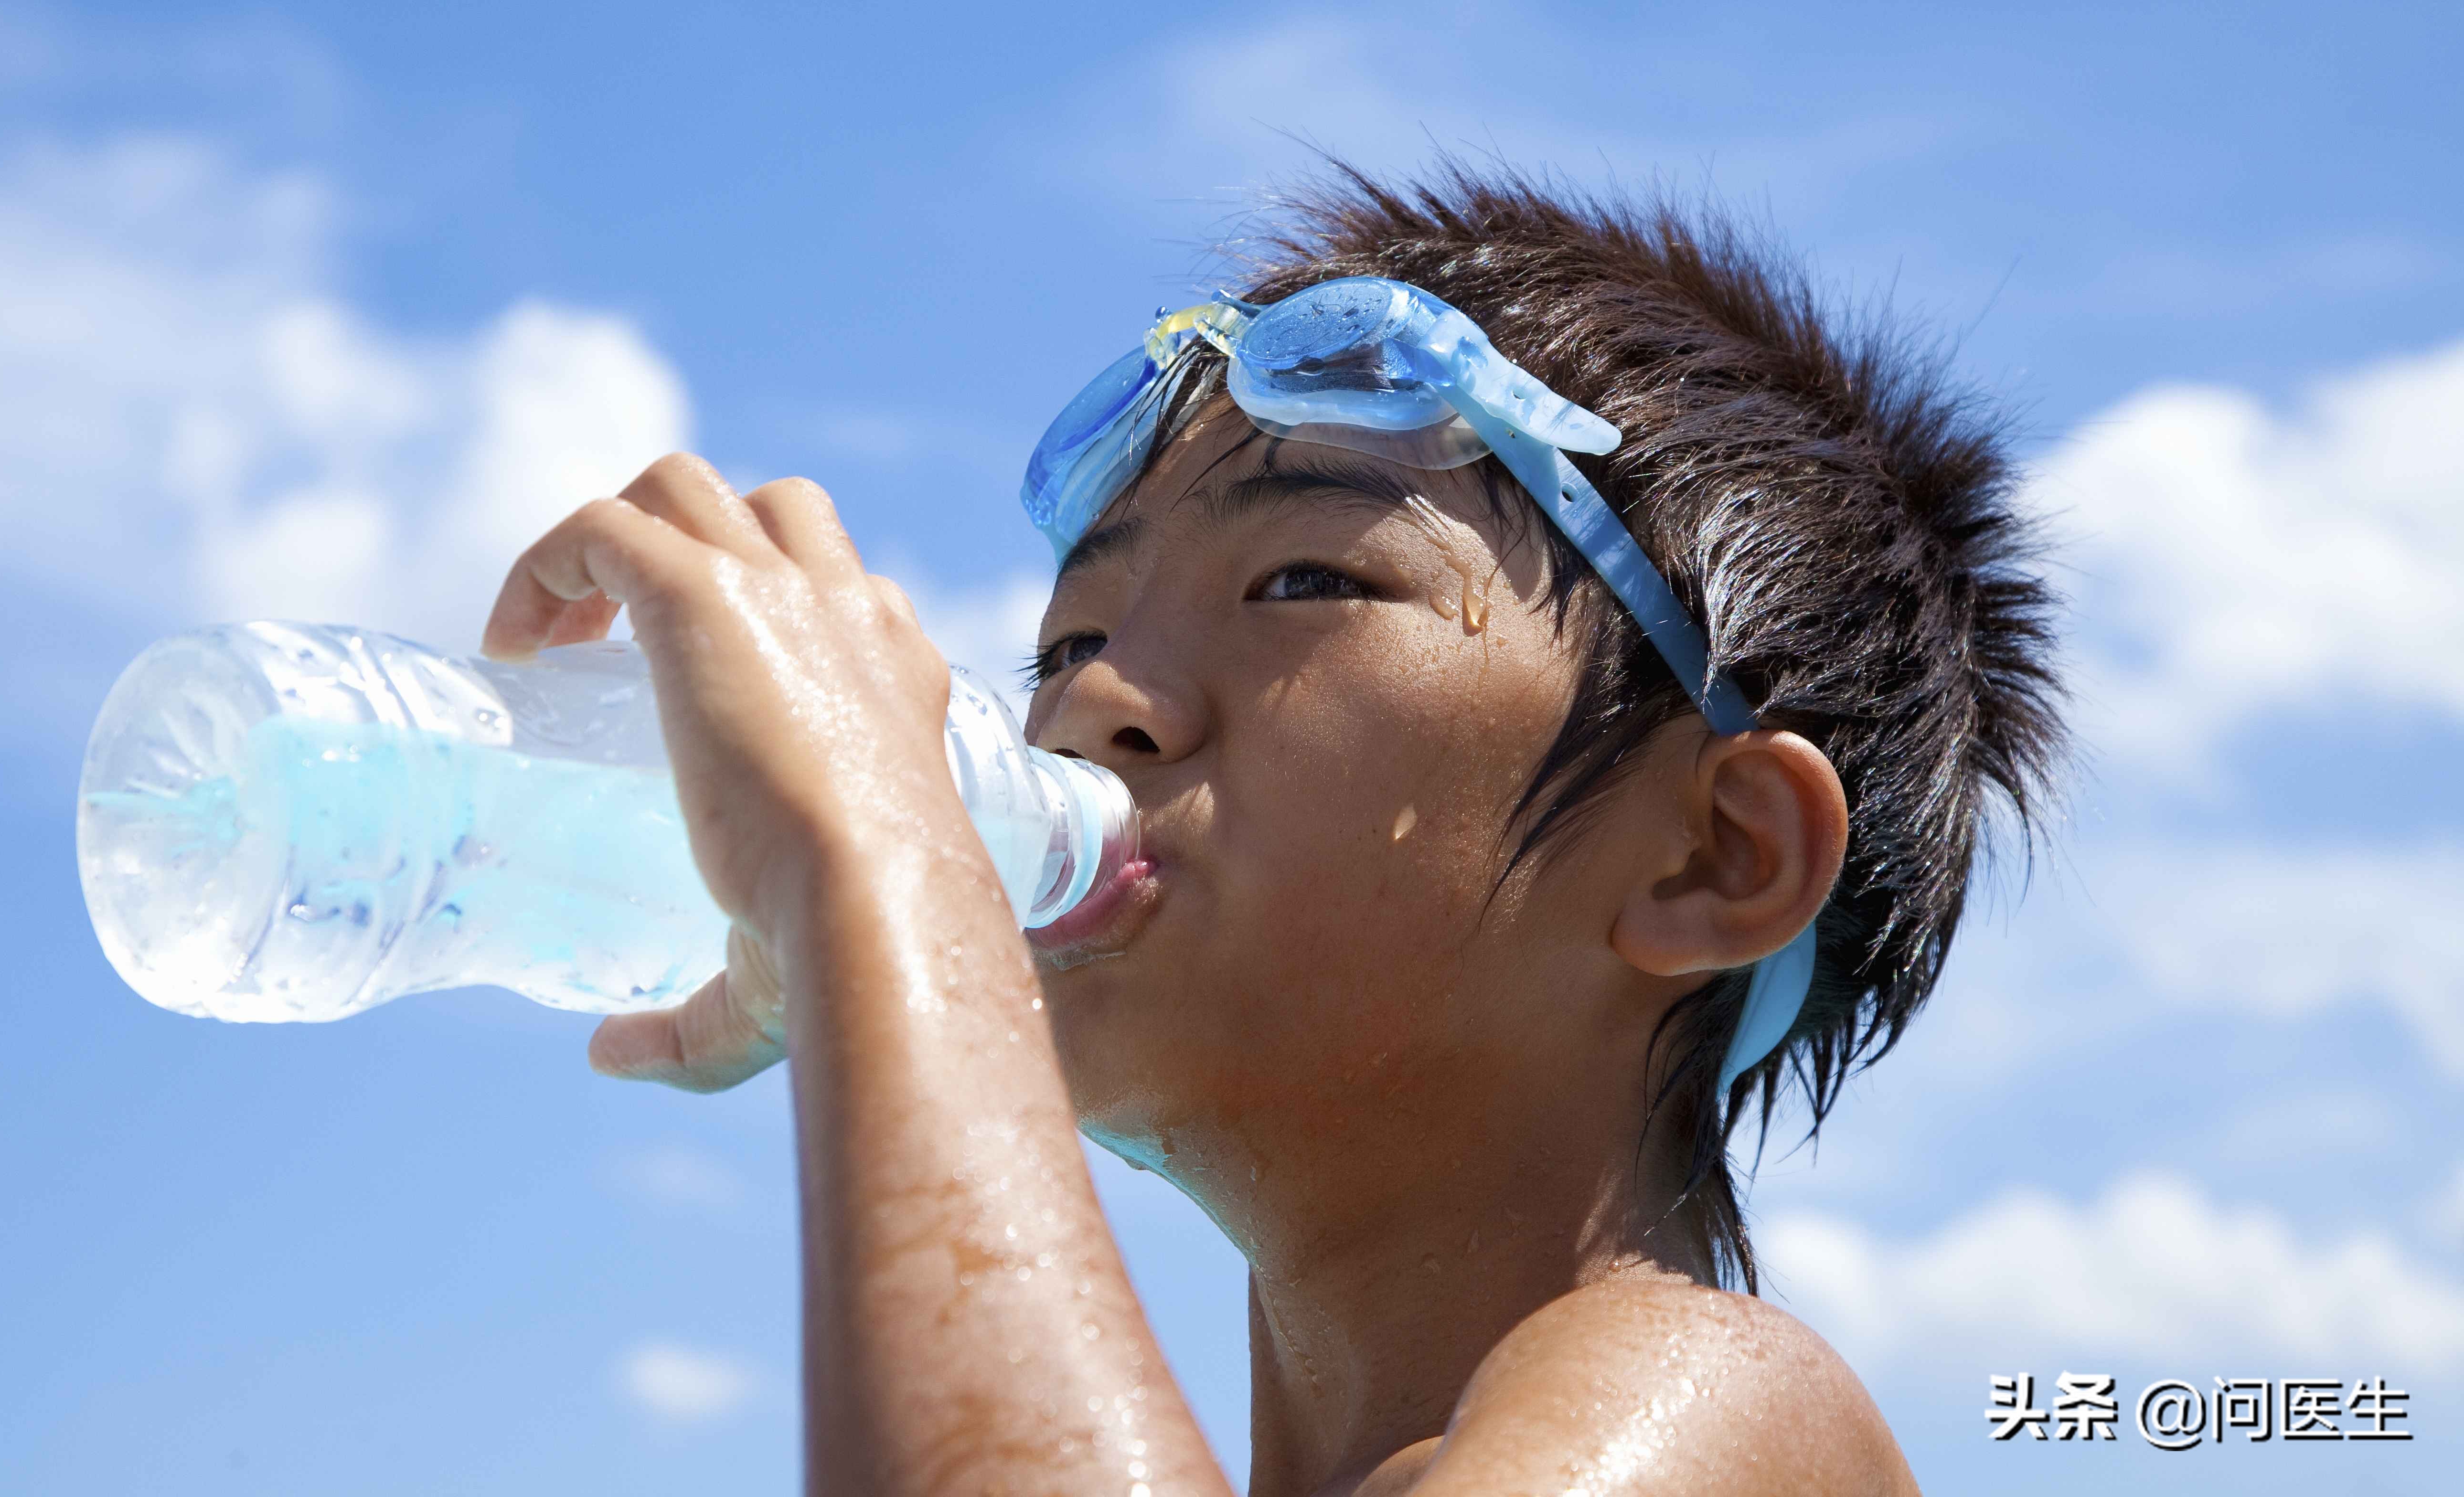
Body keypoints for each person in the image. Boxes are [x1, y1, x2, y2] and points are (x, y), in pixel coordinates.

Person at [480, 164, 2066, 1496]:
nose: (1095, 700)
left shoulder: (1718, 1407)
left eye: (1306, 580)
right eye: (1060, 645)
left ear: (1717, 859)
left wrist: (873, 884)